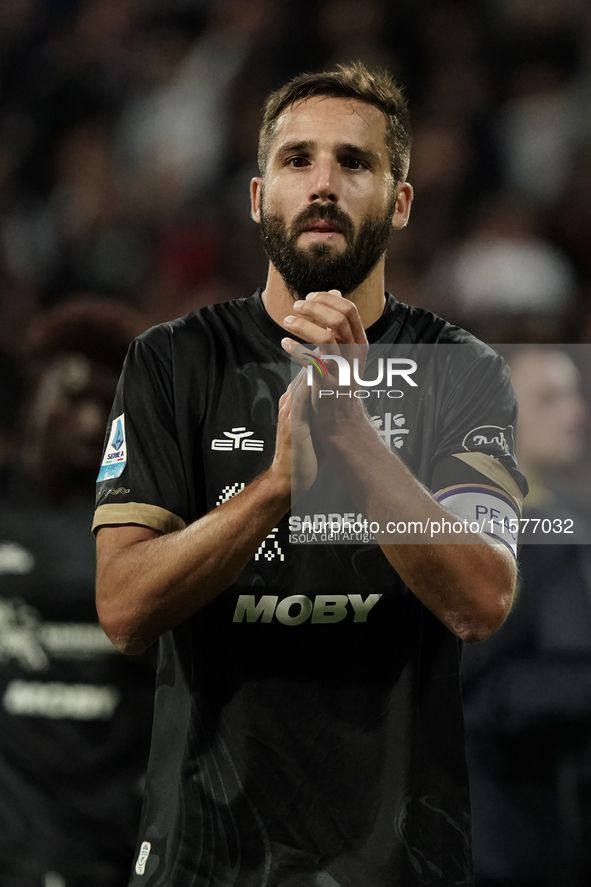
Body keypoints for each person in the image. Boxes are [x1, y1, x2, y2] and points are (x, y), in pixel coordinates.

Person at [94, 64, 527, 886]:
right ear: (258, 196)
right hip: (202, 856)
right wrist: (277, 488)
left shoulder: (462, 373)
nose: (322, 184)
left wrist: (354, 444)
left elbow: (482, 600)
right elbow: (122, 606)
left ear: (399, 203)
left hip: (395, 859)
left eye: (354, 163)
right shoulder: (171, 362)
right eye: (297, 160)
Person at [0, 298, 155, 887]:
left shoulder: (148, 531)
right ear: (33, 388)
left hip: (108, 853)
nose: (92, 424)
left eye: (107, 406)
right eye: (74, 397)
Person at [463, 346, 591, 887]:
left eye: (576, 393)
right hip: (499, 846)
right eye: (549, 398)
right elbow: (483, 695)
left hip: (550, 834)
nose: (577, 411)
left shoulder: (557, 518)